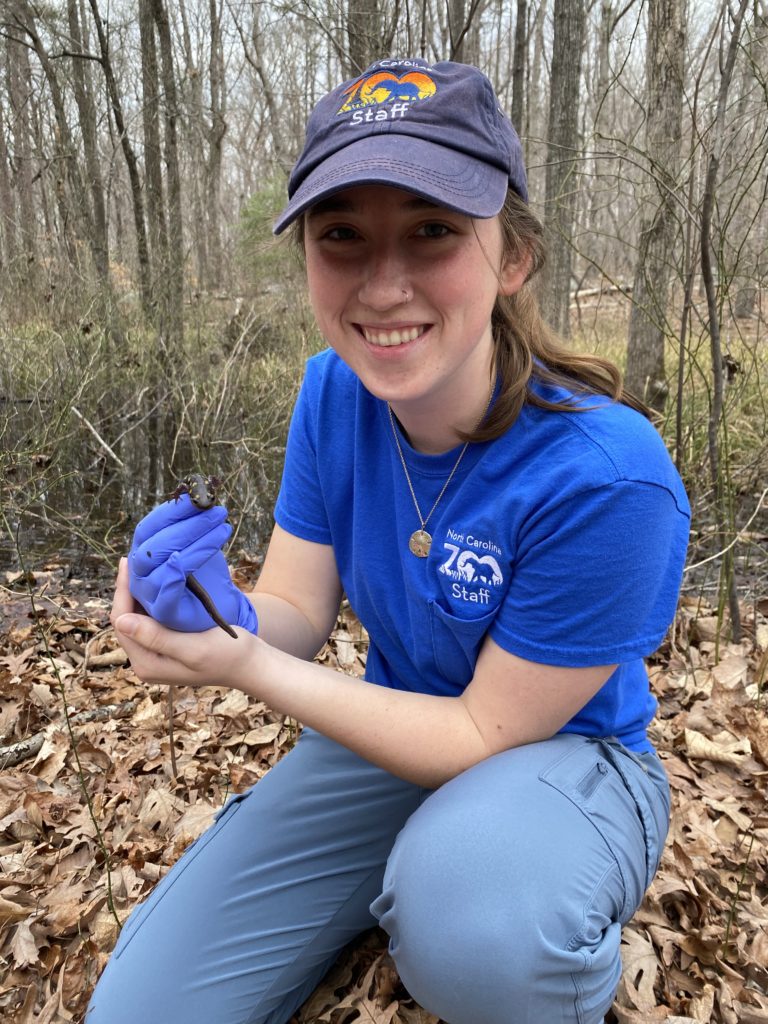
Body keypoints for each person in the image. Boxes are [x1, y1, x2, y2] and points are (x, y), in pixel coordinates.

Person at [86, 57, 690, 1024]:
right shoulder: (334, 394)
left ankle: (522, 920)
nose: (383, 283)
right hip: (389, 738)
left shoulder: (608, 473)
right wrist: (210, 612)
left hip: (571, 756)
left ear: (514, 256)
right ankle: (436, 857)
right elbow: (292, 610)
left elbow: (485, 733)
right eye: (342, 237)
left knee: (478, 934)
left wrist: (243, 665)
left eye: (433, 231)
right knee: (144, 1011)